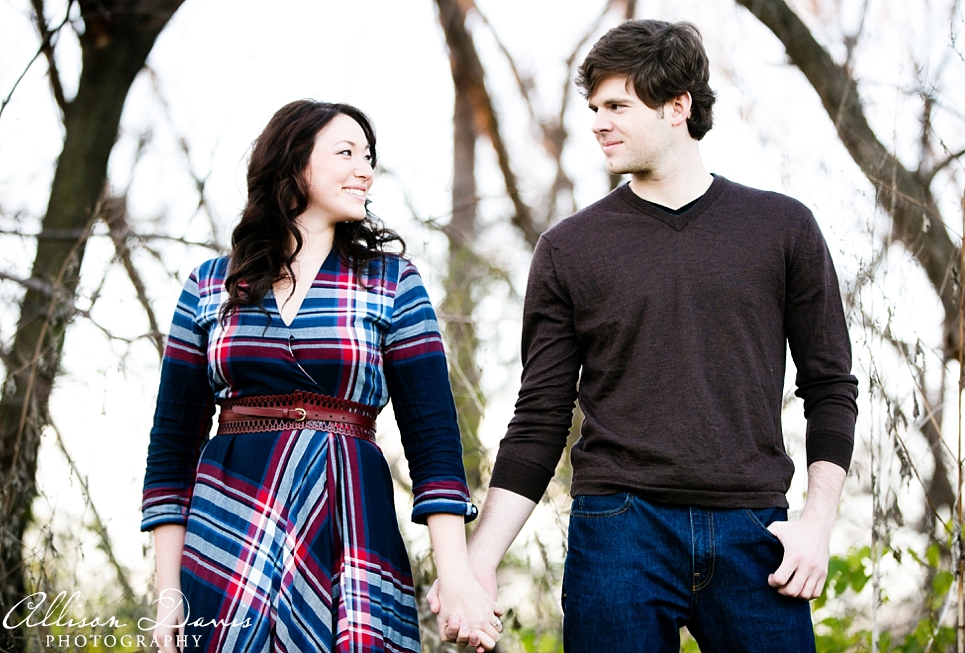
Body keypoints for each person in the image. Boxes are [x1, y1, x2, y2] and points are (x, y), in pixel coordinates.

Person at [429, 19, 858, 653]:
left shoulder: (782, 228)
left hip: (756, 529)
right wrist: (478, 561)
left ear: (678, 106)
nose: (598, 122)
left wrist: (818, 524)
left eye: (617, 106)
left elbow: (830, 387)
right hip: (618, 531)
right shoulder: (568, 249)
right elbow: (540, 416)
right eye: (594, 107)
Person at [141, 100, 503, 653]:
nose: (366, 169)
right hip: (228, 531)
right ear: (293, 163)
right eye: (346, 153)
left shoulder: (392, 283)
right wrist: (169, 599)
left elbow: (433, 440)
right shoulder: (209, 285)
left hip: (351, 525)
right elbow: (170, 451)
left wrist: (455, 574)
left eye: (369, 156)